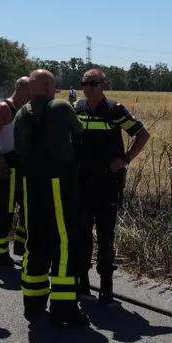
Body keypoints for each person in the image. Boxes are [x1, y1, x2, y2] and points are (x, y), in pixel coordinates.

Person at [14, 69, 88, 326]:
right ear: (48, 87)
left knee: (35, 240)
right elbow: (79, 132)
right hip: (58, 183)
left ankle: (33, 301)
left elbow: (19, 149)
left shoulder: (21, 113)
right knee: (65, 242)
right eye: (54, 85)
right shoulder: (61, 107)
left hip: (30, 184)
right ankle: (64, 307)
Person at [73, 67, 150, 305]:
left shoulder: (115, 109)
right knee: (82, 234)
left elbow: (142, 134)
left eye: (93, 83)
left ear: (104, 85)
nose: (88, 88)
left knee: (106, 236)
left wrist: (125, 159)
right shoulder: (77, 108)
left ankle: (106, 286)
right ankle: (82, 282)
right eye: (84, 83)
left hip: (106, 183)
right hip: (81, 183)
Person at [0, 75, 31, 266]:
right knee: (4, 211)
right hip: (5, 166)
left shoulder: (28, 109)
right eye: (30, 90)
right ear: (19, 89)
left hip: (22, 166)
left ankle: (20, 247)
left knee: (28, 209)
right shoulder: (4, 109)